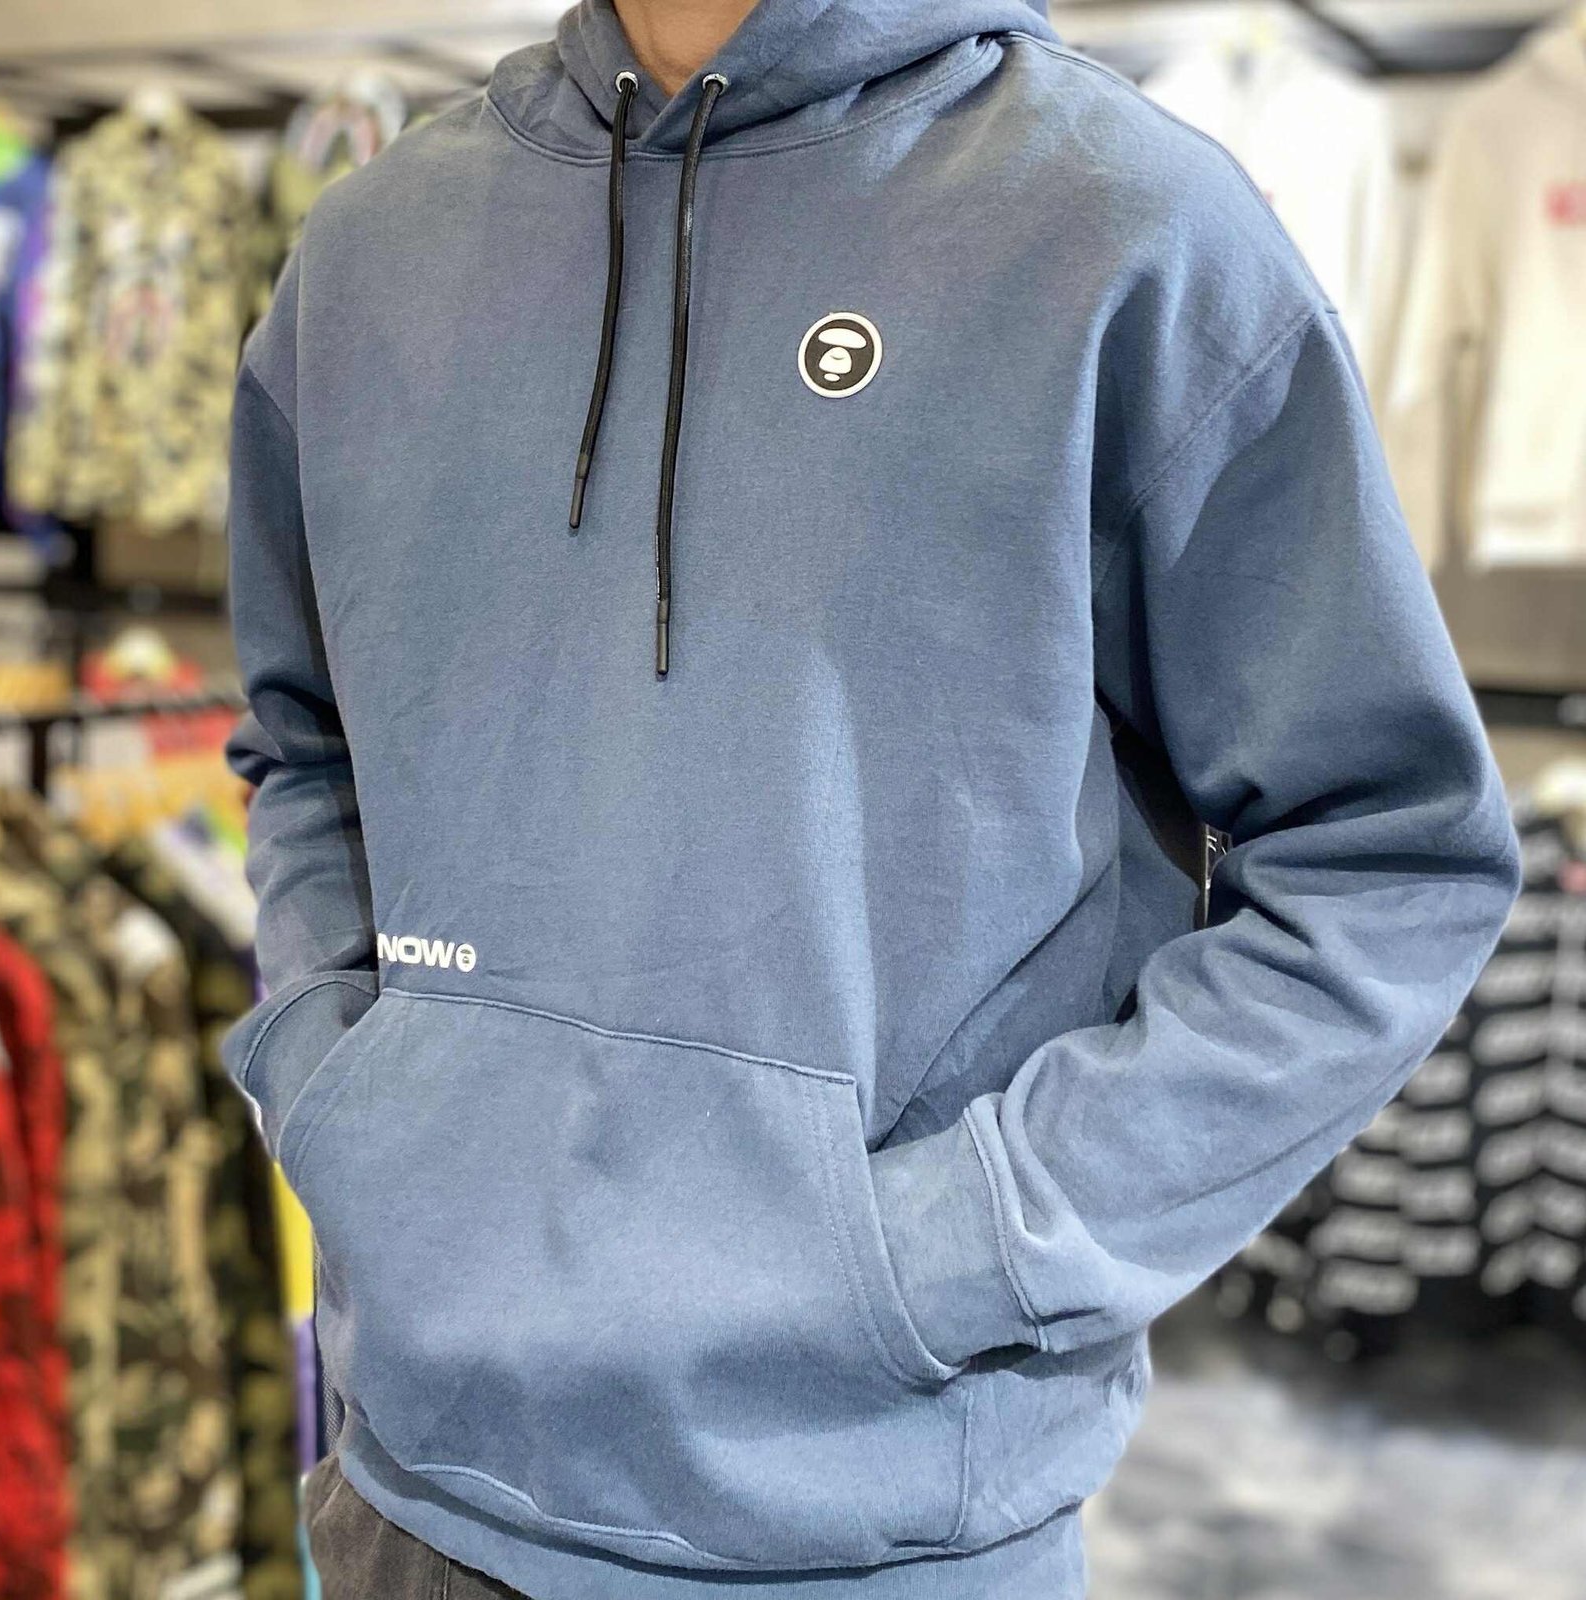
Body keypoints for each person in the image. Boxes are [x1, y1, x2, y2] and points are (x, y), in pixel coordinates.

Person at [220, 0, 1522, 1596]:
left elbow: (1386, 860)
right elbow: (306, 745)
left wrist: (967, 1242)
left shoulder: (1124, 227)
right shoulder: (370, 254)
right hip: (410, 1490)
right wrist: (336, 1080)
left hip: (875, 1514)